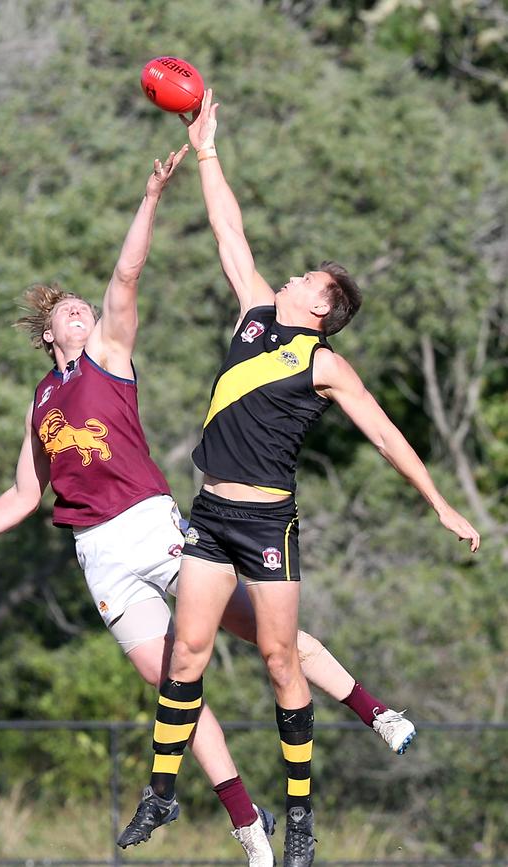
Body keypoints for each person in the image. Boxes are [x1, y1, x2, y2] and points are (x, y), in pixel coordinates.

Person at [0, 147, 414, 867]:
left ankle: (373, 708)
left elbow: (125, 275)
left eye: (83, 306)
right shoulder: (41, 401)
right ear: (49, 334)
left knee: (268, 639)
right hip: (98, 557)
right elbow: (27, 493)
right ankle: (248, 822)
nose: (80, 310)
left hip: (154, 526)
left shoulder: (110, 355)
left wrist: (150, 196)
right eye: (67, 312)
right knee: (171, 681)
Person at [119, 90, 481, 867]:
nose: (292, 276)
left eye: (308, 278)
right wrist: (207, 147)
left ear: (324, 305)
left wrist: (442, 503)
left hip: (266, 527)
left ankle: (302, 817)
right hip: (210, 516)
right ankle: (160, 791)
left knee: (283, 661)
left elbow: (385, 435)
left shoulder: (323, 362)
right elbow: (228, 228)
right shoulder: (254, 310)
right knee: (187, 658)